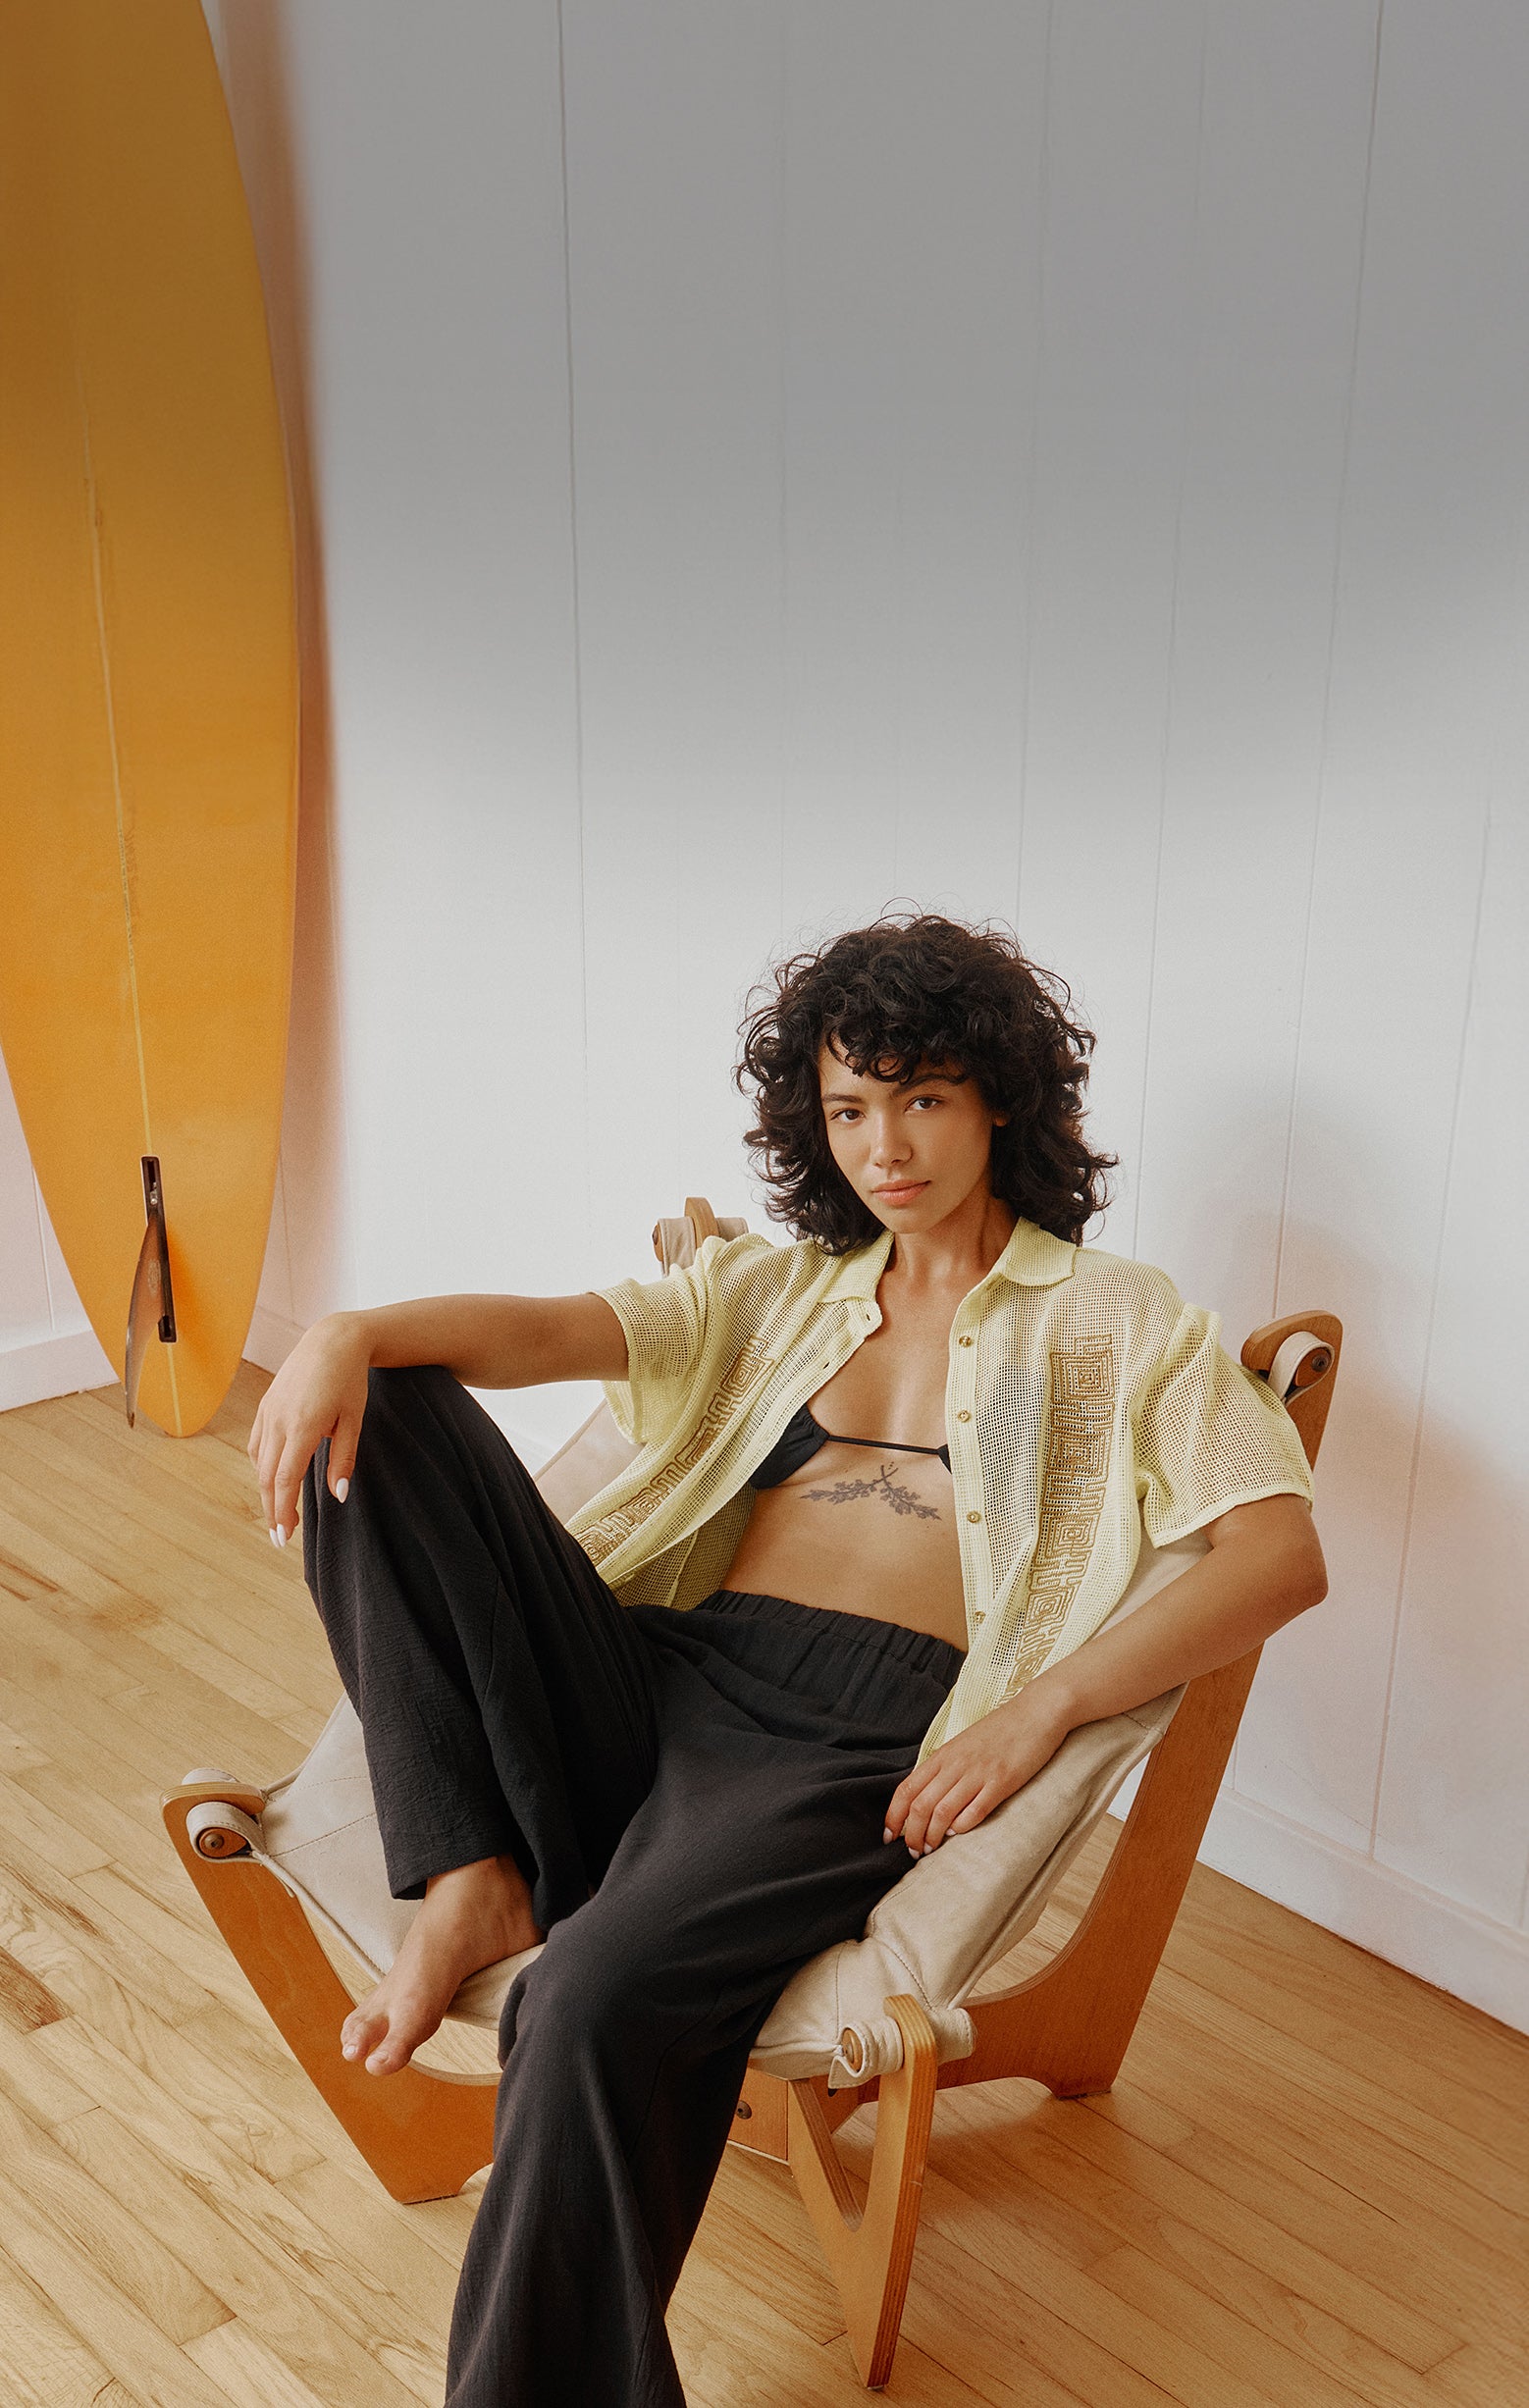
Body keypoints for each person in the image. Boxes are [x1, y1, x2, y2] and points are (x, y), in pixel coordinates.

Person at [247, 913, 1325, 2407]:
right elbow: (543, 1330)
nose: (887, 1146)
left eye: (923, 1097)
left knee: (586, 2002)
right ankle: (472, 1871)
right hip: (663, 1671)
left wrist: (1041, 1711)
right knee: (395, 1404)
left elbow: (1278, 1556)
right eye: (849, 1107)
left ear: (1000, 1099)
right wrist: (344, 1330)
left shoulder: (1115, 1319)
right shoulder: (785, 1288)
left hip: (850, 1737)